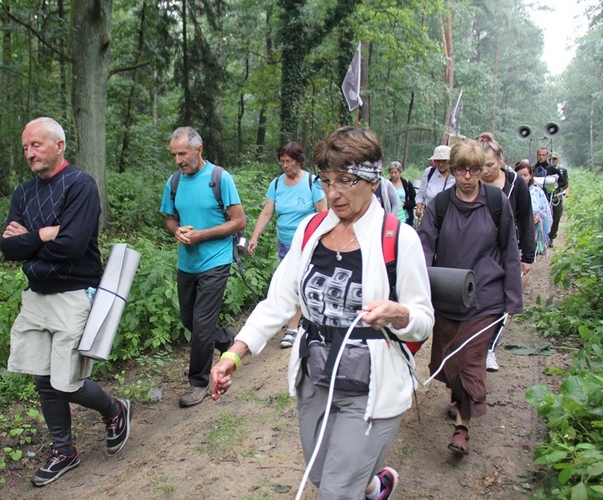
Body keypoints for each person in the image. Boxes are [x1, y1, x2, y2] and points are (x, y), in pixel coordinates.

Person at [211, 127, 434, 499]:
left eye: (346, 181)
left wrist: (397, 313)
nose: (333, 193)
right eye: (327, 181)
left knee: (334, 490)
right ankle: (375, 485)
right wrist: (235, 353)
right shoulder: (311, 229)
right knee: (320, 470)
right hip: (316, 377)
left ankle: (357, 483)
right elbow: (278, 301)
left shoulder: (398, 238)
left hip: (370, 385)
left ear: (373, 181)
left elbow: (423, 320)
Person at [1, 117, 131, 487]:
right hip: (36, 296)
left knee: (67, 381)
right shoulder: (23, 193)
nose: (29, 153)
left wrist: (29, 240)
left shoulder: (80, 185)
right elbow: (7, 247)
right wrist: (44, 233)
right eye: (25, 147)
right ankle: (64, 450)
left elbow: (73, 246)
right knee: (43, 379)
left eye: (36, 145)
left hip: (75, 294)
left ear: (59, 145)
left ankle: (115, 409)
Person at [417, 139, 523, 456]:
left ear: (481, 171)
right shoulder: (440, 205)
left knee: (470, 362)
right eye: (461, 168)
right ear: (452, 167)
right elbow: (423, 248)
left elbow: (509, 249)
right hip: (447, 295)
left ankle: (462, 428)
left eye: (473, 169)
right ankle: (459, 395)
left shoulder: (496, 202)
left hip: (484, 297)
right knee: (446, 361)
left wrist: (511, 298)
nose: (466, 176)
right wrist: (417, 286)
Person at [159, 126, 246, 407]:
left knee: (202, 323)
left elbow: (239, 221)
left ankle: (198, 383)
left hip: (216, 261)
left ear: (199, 149)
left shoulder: (220, 178)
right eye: (174, 155)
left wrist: (201, 235)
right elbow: (170, 218)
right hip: (188, 263)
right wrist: (177, 231)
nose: (178, 160)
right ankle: (226, 340)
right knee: (189, 320)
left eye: (182, 154)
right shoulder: (173, 182)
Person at [247, 142, 327, 349]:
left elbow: (323, 214)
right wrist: (255, 236)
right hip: (284, 243)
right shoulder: (276, 184)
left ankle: (292, 329)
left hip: (308, 243)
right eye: (282, 161)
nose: (285, 165)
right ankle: (299, 319)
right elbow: (267, 212)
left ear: (298, 161)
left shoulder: (312, 182)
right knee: (291, 282)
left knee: (298, 282)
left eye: (289, 161)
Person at [477, 133, 534, 371]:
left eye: (489, 165)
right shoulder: (473, 182)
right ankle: (475, 343)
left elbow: (525, 218)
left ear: (500, 160)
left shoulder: (515, 185)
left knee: (502, 300)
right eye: (482, 166)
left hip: (507, 250)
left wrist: (527, 256)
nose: (485, 170)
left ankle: (490, 347)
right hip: (478, 251)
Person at [514, 160, 552, 276]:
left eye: (525, 175)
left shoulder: (537, 192)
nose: (523, 178)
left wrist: (539, 217)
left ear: (530, 176)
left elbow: (546, 211)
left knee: (524, 264)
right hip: (514, 232)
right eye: (520, 175)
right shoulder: (510, 191)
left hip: (531, 232)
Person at [415, 145, 455, 221]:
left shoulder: (455, 175)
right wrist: (419, 208)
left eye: (444, 161)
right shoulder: (429, 172)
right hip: (430, 216)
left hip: (449, 218)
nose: (440, 164)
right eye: (438, 161)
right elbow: (421, 194)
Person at [388, 161, 417, 225]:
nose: (393, 175)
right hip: (391, 217)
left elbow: (415, 201)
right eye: (391, 172)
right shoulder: (387, 185)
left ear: (400, 172)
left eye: (395, 172)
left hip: (406, 218)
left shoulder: (407, 185)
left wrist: (404, 204)